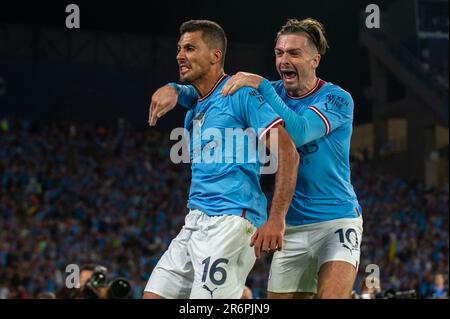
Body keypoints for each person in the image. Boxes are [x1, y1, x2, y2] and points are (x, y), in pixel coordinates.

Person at [149, 18, 363, 299]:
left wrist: (260, 85)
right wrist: (176, 89)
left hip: (335, 219)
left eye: (294, 53)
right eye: (279, 53)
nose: (284, 60)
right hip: (291, 224)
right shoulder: (270, 92)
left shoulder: (336, 98)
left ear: (315, 59)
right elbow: (212, 92)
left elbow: (297, 134)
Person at [144, 20, 299, 299]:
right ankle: (240, 296)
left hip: (233, 220)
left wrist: (277, 218)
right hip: (195, 220)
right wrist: (173, 88)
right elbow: (192, 93)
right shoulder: (196, 105)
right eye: (179, 48)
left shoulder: (241, 93)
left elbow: (288, 152)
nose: (180, 55)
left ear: (215, 55)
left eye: (190, 48)